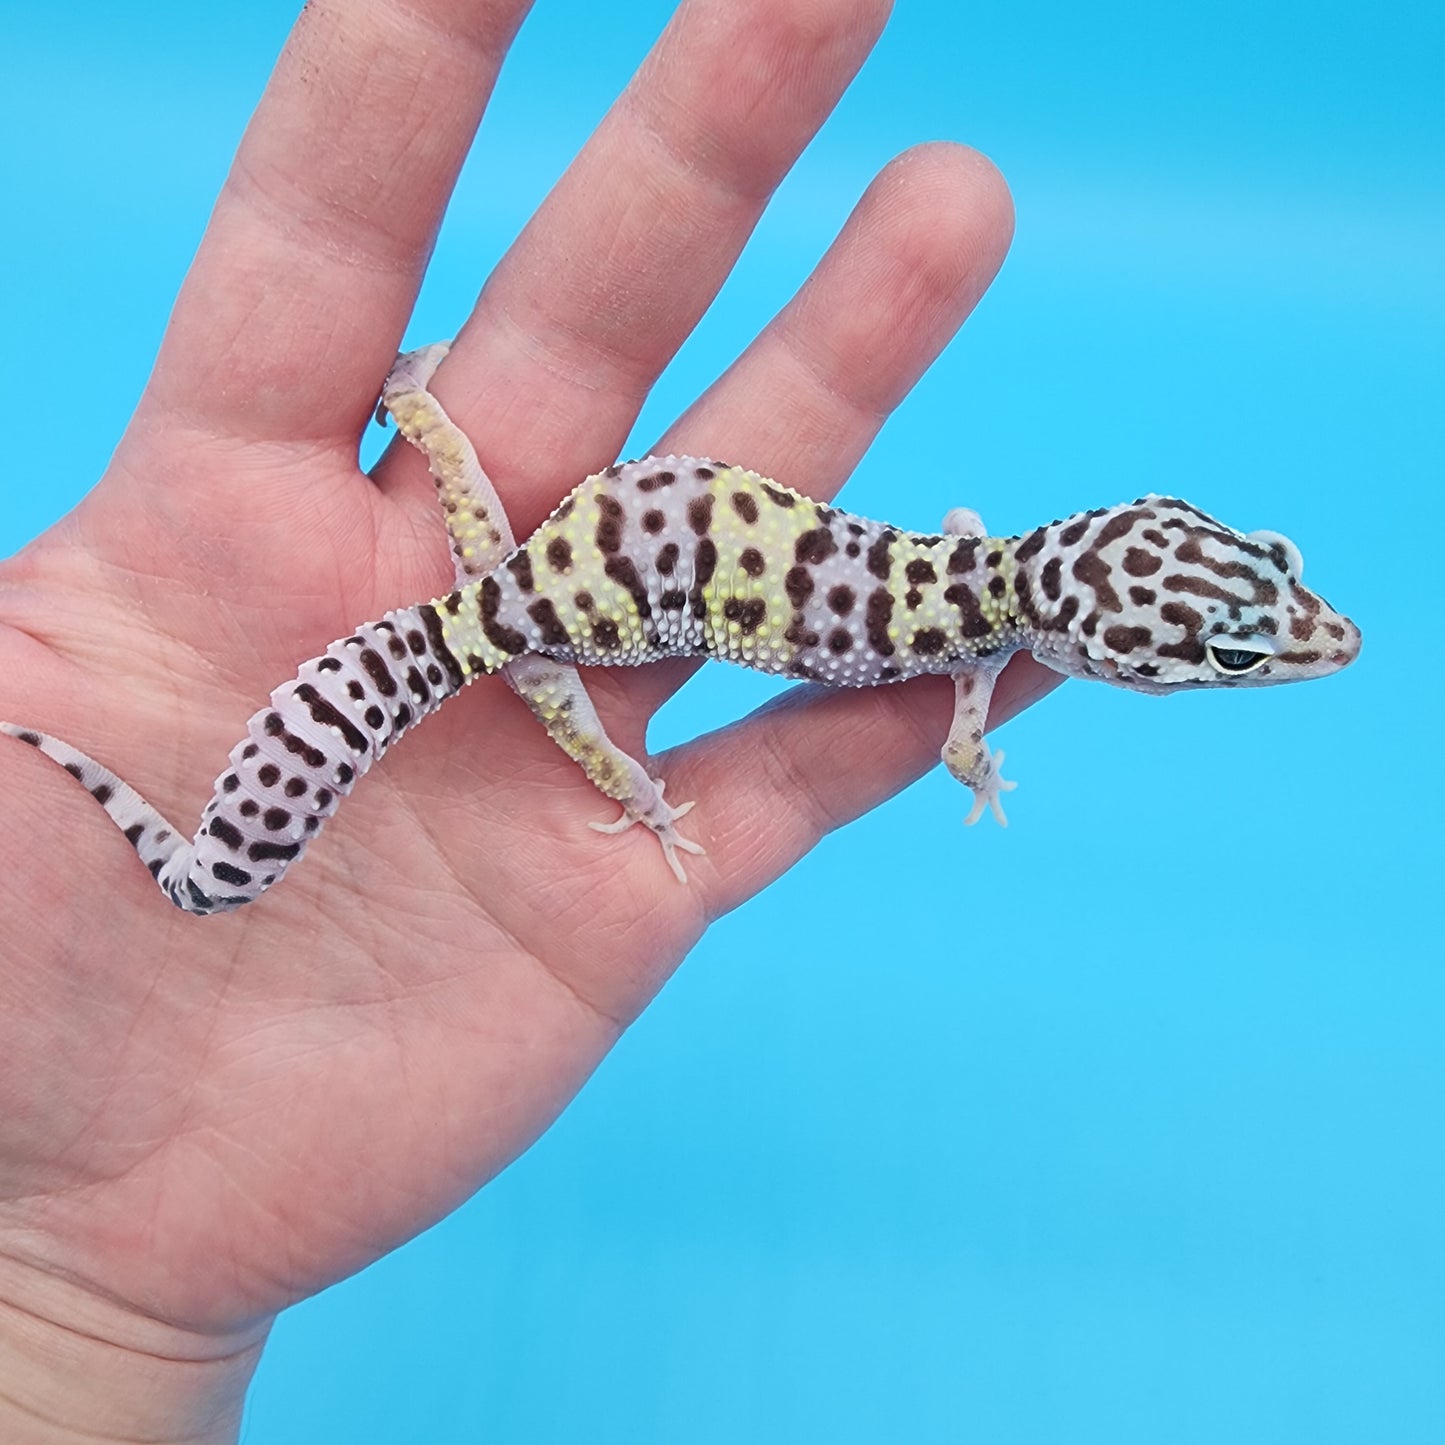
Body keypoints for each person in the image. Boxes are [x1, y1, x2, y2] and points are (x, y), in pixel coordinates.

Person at [0, 0, 1055, 1434]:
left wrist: (77, 1313)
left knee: (507, 626)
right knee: (533, 671)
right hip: (528, 626)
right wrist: (627, 789)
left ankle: (223, 813)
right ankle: (213, 847)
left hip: (520, 591)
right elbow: (925, 697)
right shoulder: (968, 644)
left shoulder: (976, 592)